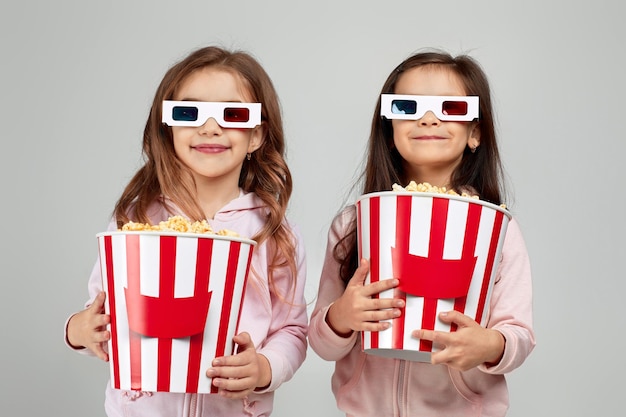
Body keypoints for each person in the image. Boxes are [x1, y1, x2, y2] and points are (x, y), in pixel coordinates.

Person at [64, 46, 308, 417]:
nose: (210, 127)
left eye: (233, 114)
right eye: (189, 113)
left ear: (256, 136)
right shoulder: (136, 219)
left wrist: (264, 369)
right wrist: (77, 331)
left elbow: (291, 330)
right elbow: (100, 309)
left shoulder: (274, 232)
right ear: (169, 128)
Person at [308, 49, 535, 417]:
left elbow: (520, 335)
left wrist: (490, 344)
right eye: (407, 108)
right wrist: (341, 318)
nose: (428, 119)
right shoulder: (355, 225)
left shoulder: (497, 230)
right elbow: (322, 344)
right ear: (389, 128)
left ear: (475, 132)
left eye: (452, 109)